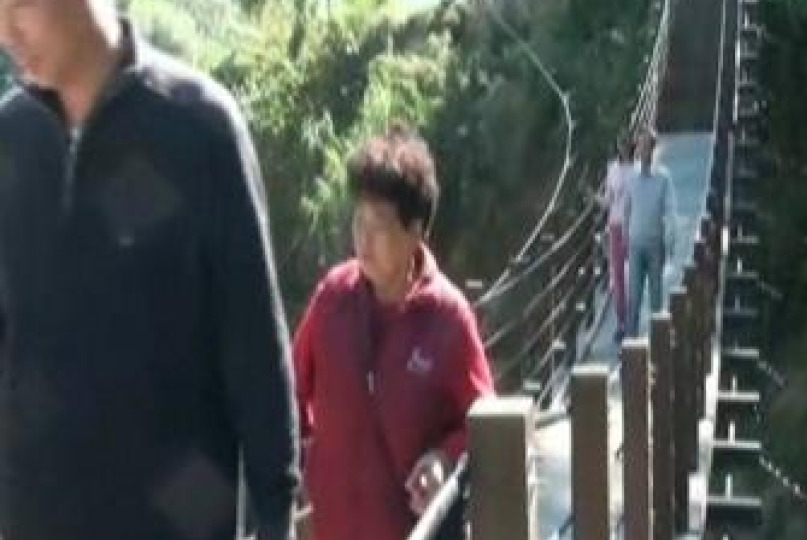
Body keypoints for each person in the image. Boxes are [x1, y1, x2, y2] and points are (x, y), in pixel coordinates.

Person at [0, 2, 299, 539]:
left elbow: (255, 351)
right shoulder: (9, 142)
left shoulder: (197, 129)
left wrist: (276, 518)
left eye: (18, 6)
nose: (6, 33)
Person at [293, 125, 495, 540]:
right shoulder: (332, 298)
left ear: (416, 230)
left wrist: (443, 458)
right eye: (358, 219)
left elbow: (486, 424)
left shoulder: (448, 317)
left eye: (379, 224)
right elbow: (289, 394)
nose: (362, 238)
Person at [625, 127, 677, 337]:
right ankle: (630, 342)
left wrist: (671, 242)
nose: (643, 150)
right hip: (635, 244)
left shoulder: (663, 178)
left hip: (656, 244)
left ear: (653, 149)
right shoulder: (631, 176)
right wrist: (625, 238)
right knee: (634, 297)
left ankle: (657, 343)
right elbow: (627, 208)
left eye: (647, 146)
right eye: (640, 146)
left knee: (656, 298)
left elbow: (671, 211)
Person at [600, 136, 637, 343]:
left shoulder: (639, 170)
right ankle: (621, 322)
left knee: (633, 275)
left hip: (634, 226)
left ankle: (632, 319)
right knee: (618, 276)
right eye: (620, 145)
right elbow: (608, 201)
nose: (622, 148)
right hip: (615, 225)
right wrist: (592, 197)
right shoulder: (612, 169)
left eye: (625, 145)